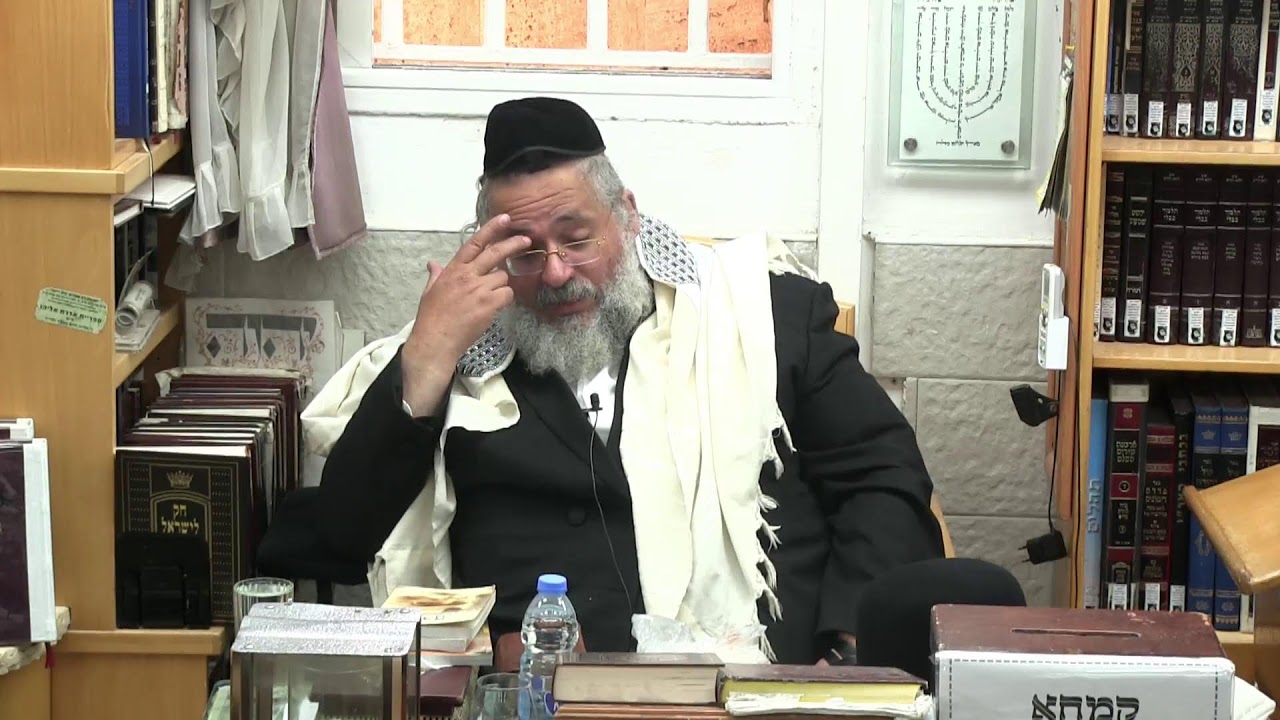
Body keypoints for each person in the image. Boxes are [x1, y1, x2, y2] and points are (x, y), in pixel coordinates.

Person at [304, 96, 945, 666]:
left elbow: (884, 480)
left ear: (628, 216)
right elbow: (341, 539)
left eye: (576, 239)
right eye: (524, 251)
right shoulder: (456, 357)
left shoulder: (756, 315)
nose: (555, 273)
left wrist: (850, 652)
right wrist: (426, 355)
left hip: (765, 688)